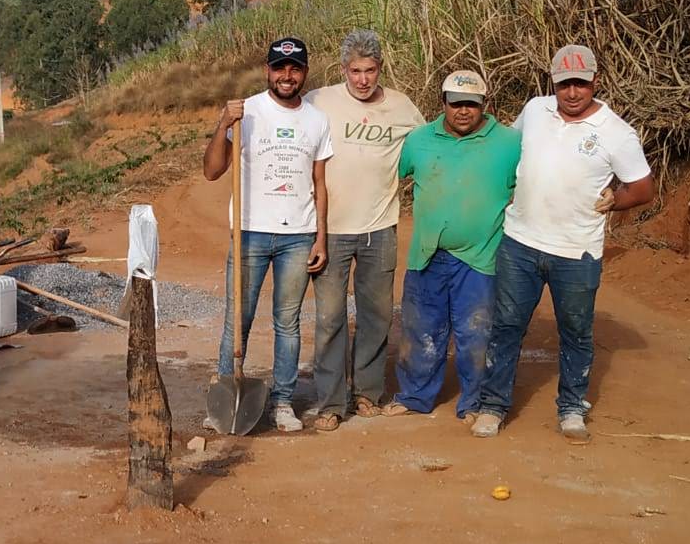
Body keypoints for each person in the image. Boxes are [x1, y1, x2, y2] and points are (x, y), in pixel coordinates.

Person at [472, 45, 654, 443]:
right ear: (552, 82)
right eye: (564, 84)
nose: (572, 93)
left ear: (596, 82)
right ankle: (492, 406)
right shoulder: (536, 110)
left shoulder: (616, 133)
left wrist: (615, 201)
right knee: (506, 327)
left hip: (577, 251)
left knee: (576, 331)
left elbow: (643, 188)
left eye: (581, 84)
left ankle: (571, 408)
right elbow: (509, 148)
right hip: (520, 242)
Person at [204, 37, 332, 432]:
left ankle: (281, 402)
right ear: (268, 71)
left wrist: (321, 237)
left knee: (287, 322)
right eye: (280, 68)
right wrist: (223, 123)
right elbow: (211, 171)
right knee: (235, 321)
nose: (287, 76)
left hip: (298, 234)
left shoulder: (316, 119)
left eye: (294, 69)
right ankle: (224, 397)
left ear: (305, 72)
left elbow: (320, 182)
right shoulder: (248, 113)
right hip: (249, 233)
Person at [382, 71, 522, 422]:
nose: (463, 111)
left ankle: (475, 401)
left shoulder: (509, 143)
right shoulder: (419, 140)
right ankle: (415, 396)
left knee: (477, 333)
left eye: (471, 105)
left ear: (484, 105)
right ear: (442, 103)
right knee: (420, 330)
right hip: (427, 254)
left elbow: (538, 183)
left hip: (481, 259)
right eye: (456, 103)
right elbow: (383, 176)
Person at [306, 30, 424, 431]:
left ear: (380, 70)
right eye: (354, 71)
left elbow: (429, 147)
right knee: (330, 318)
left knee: (376, 316)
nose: (362, 80)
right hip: (330, 229)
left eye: (369, 71)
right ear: (343, 70)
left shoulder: (402, 107)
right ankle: (331, 402)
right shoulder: (319, 101)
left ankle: (367, 393)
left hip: (380, 227)